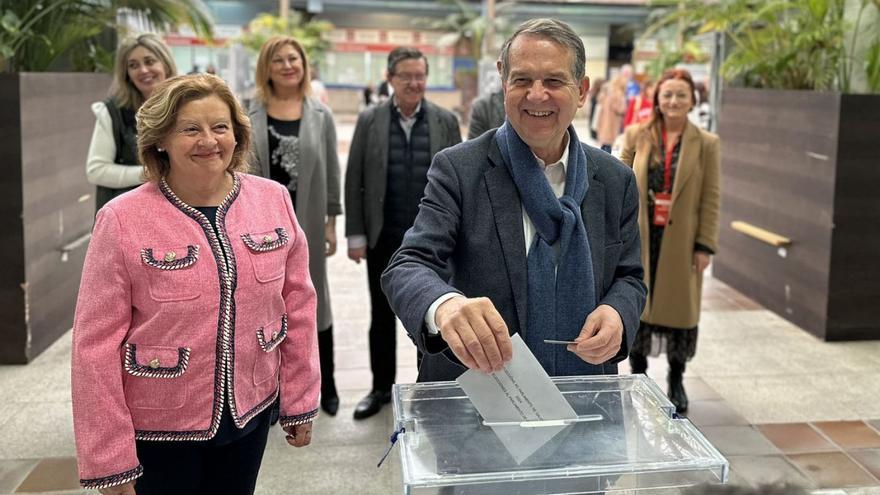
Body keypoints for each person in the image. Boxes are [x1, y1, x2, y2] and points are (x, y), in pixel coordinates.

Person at [71, 74, 320, 495]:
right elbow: (93, 346)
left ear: (237, 136)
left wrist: (299, 399)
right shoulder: (121, 219)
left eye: (220, 127)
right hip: (157, 429)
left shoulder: (273, 199)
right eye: (190, 129)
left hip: (249, 415)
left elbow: (297, 305)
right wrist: (109, 457)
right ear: (160, 140)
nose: (209, 140)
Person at [380, 18, 646, 383]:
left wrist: (618, 312)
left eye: (553, 81)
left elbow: (629, 277)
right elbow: (407, 265)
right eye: (522, 80)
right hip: (478, 395)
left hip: (585, 391)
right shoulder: (459, 169)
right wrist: (445, 306)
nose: (536, 95)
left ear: (582, 91)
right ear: (504, 83)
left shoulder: (616, 181)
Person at [344, 46, 461, 419]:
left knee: (430, 315)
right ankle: (380, 389)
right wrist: (356, 234)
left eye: (420, 76)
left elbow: (461, 183)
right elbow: (355, 178)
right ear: (390, 78)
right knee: (380, 316)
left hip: (433, 243)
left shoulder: (445, 121)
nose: (414, 83)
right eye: (406, 76)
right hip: (384, 235)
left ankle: (428, 389)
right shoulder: (370, 120)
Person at [248, 35, 342, 416]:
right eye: (278, 60)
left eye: (294, 59)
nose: (288, 65)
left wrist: (332, 223)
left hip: (307, 222)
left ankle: (327, 385)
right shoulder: (248, 110)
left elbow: (333, 172)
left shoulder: (320, 114)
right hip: (258, 224)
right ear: (266, 68)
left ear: (303, 65)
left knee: (314, 302)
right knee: (265, 303)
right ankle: (270, 393)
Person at [619, 68, 721, 414]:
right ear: (657, 100)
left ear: (693, 99)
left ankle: (676, 378)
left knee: (680, 311)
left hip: (682, 241)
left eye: (681, 94)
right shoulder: (636, 135)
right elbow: (618, 183)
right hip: (641, 236)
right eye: (667, 94)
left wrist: (705, 245)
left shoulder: (707, 144)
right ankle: (638, 375)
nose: (674, 101)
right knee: (638, 305)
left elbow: (711, 197)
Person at [86, 33, 177, 212]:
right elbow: (96, 170)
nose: (143, 70)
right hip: (131, 216)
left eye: (149, 61)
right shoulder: (112, 113)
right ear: (127, 74)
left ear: (165, 64)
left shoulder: (187, 106)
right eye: (133, 65)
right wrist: (150, 173)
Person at [596, 73, 627, 153]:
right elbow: (620, 109)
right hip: (612, 122)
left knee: (604, 144)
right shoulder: (618, 93)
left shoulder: (609, 91)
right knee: (608, 145)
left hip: (605, 120)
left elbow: (600, 101)